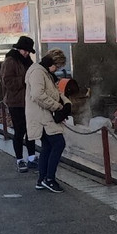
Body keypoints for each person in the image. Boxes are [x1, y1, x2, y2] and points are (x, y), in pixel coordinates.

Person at [26, 48, 71, 193]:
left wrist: (66, 103)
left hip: (44, 115)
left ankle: (42, 179)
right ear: (52, 63)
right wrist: (58, 107)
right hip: (42, 117)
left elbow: (55, 92)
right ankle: (49, 179)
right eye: (57, 67)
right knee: (58, 143)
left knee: (47, 147)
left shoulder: (44, 72)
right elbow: (38, 95)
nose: (57, 70)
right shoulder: (38, 72)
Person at [0, 35, 37, 173]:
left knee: (31, 131)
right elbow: (7, 82)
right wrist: (25, 79)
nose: (26, 53)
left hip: (28, 101)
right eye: (24, 50)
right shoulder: (11, 61)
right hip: (15, 102)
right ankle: (20, 159)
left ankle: (32, 158)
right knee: (19, 131)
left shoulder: (28, 61)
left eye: (28, 51)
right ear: (19, 48)